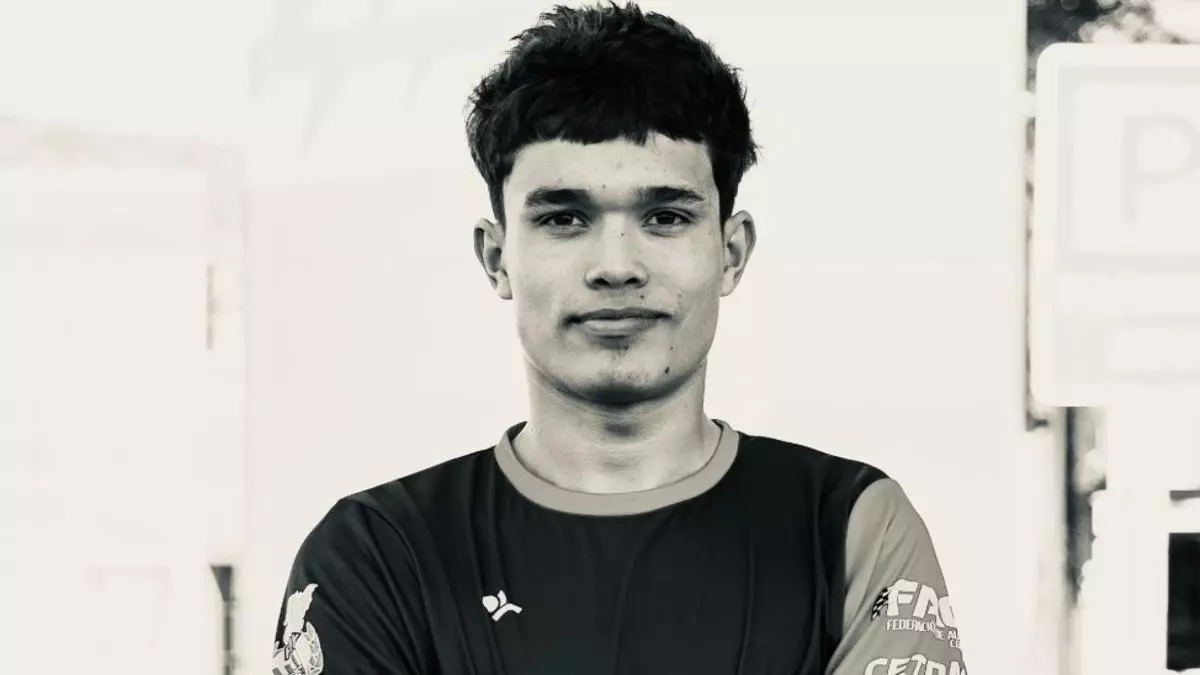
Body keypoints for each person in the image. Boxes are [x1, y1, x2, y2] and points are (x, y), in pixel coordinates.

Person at [270, 3, 967, 674]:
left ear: (730, 252)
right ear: (497, 257)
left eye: (665, 217)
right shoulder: (375, 555)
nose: (616, 266)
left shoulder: (850, 528)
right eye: (564, 218)